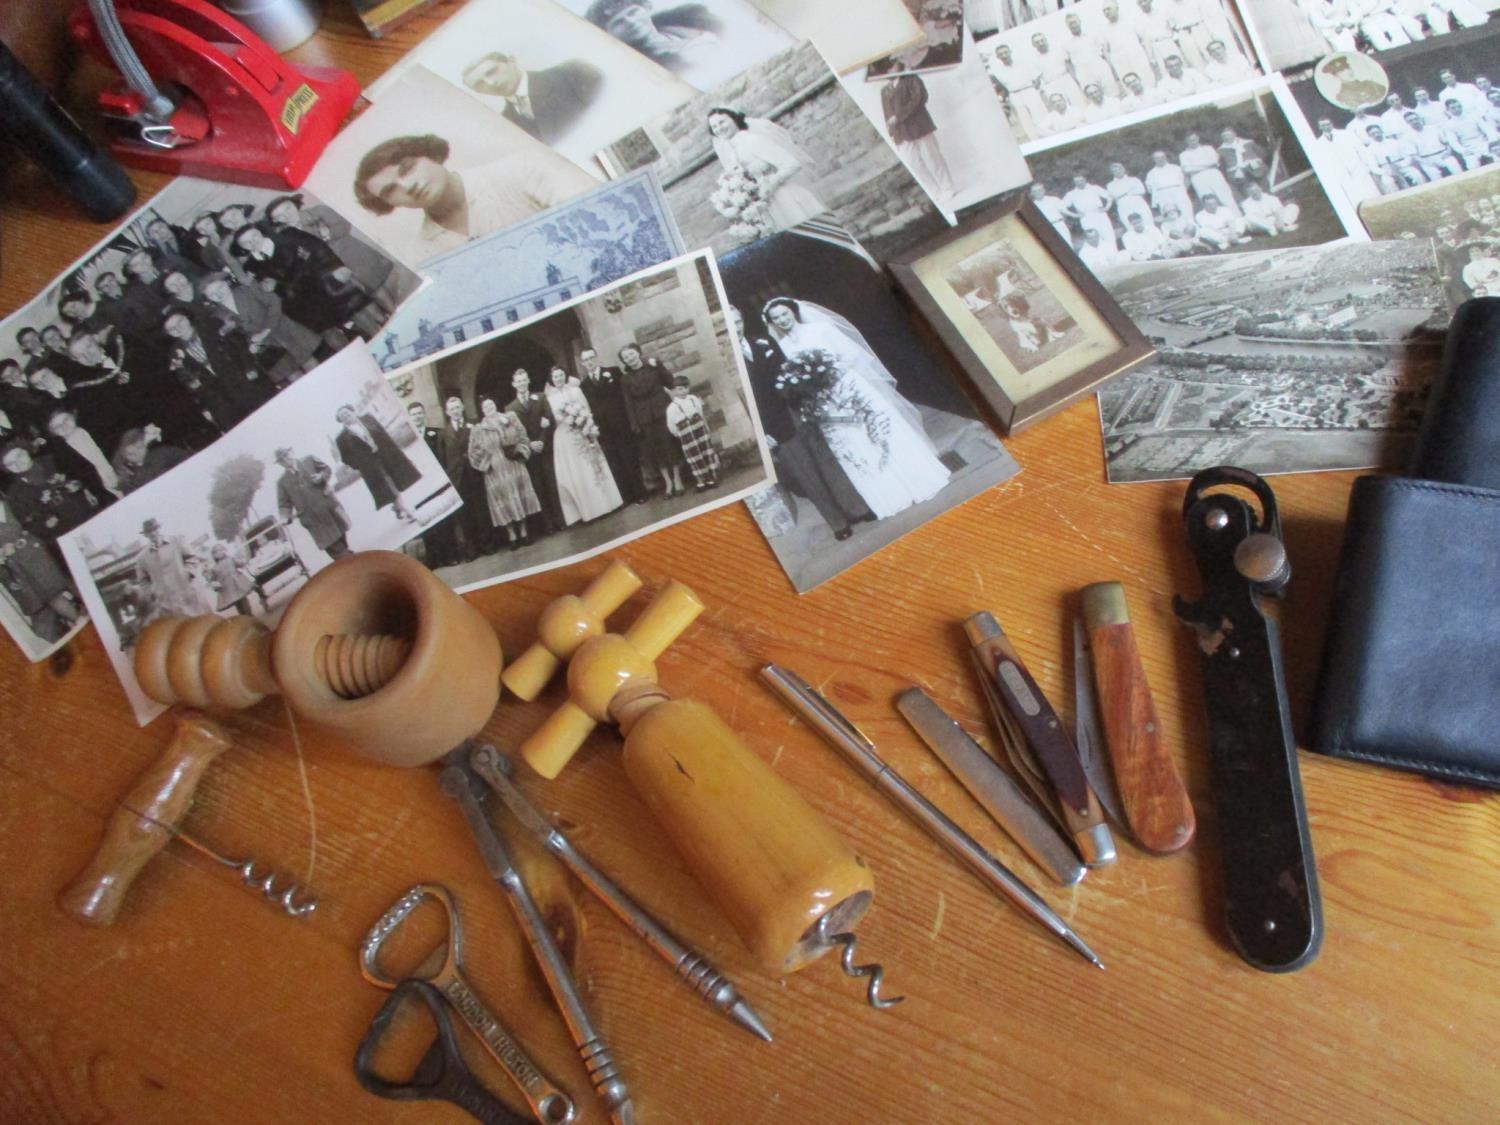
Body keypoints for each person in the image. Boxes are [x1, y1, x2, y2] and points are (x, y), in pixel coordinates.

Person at [762, 297, 950, 521]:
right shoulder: (782, 348)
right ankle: (890, 496)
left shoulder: (820, 329)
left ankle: (918, 480)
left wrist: (830, 375)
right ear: (771, 322)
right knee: (853, 446)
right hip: (824, 402)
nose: (782, 320)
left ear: (793, 311)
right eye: (776, 318)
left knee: (878, 433)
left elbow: (852, 354)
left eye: (784, 314)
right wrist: (811, 385)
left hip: (849, 389)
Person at [730, 306, 867, 542]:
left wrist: (805, 400)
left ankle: (857, 509)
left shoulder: (763, 341)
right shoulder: (729, 362)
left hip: (796, 409)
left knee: (828, 461)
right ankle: (838, 523)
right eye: (730, 324)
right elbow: (738, 405)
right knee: (807, 476)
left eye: (738, 321)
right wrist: (761, 433)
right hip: (773, 425)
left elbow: (789, 370)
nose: (736, 327)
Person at [352, 133, 590, 261]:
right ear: (389, 205)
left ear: (431, 155)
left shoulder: (520, 169)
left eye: (407, 168)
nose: (409, 185)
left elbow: (595, 216)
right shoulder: (421, 255)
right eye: (390, 190)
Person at [707, 107, 827, 231]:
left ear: (734, 119)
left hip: (786, 199)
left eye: (722, 122)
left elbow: (792, 163)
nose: (719, 128)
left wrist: (771, 183)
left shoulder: (752, 140)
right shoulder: (733, 152)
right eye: (714, 126)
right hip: (767, 207)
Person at [460, 52, 603, 145]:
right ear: (477, 91)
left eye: (492, 71)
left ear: (512, 61)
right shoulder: (506, 126)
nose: (492, 83)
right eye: (480, 84)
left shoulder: (571, 72)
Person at [543, 364, 624, 521]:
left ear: (565, 375)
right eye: (555, 377)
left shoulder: (576, 390)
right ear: (551, 380)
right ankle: (591, 510)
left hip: (584, 431)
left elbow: (586, 408)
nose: (558, 379)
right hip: (567, 437)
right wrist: (567, 419)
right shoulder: (550, 399)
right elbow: (554, 418)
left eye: (560, 375)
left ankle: (609, 503)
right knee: (579, 472)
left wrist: (587, 424)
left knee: (594, 466)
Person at [0, 501, 80, 642]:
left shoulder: (4, 504)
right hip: (19, 564)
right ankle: (81, 622)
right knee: (51, 595)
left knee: (61, 585)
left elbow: (22, 523)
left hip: (33, 551)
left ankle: (90, 617)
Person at [467, 397, 540, 550]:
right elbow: (472, 452)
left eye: (491, 404)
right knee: (503, 501)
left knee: (519, 495)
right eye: (485, 406)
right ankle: (512, 535)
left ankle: (524, 532)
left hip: (513, 464)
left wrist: (519, 450)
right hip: (494, 471)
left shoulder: (510, 418)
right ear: (482, 410)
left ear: (495, 405)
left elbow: (522, 436)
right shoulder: (478, 429)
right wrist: (486, 462)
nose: (489, 407)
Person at [578, 346, 644, 504]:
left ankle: (640, 493)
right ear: (582, 363)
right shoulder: (583, 385)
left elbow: (625, 396)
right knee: (614, 461)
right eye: (585, 360)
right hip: (603, 429)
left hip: (620, 423)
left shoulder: (613, 372)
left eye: (591, 358)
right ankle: (626, 497)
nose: (589, 362)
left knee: (629, 458)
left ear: (596, 358)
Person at [333, 404, 421, 523]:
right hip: (371, 466)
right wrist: (360, 464)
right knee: (388, 486)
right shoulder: (341, 438)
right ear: (341, 421)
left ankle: (397, 507)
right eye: (342, 417)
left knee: (395, 483)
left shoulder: (368, 418)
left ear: (353, 411)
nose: (346, 417)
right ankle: (409, 512)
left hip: (386, 455)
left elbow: (384, 434)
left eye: (347, 413)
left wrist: (397, 451)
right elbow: (345, 458)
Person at [584, 0, 722, 75]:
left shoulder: (697, 26)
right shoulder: (649, 71)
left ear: (645, 8)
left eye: (633, 12)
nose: (631, 22)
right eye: (619, 22)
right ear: (609, 34)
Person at [880, 67, 956, 202]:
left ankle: (948, 188)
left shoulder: (911, 79)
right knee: (913, 163)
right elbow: (887, 115)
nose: (887, 72)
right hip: (901, 133)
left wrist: (899, 116)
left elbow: (920, 99)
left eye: (889, 68)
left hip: (919, 126)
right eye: (884, 70)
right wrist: (892, 133)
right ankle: (935, 192)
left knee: (933, 158)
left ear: (896, 66)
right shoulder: (885, 91)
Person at [618, 343, 681, 499]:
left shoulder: (652, 367)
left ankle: (678, 480)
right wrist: (634, 423)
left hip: (662, 409)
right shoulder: (625, 379)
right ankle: (668, 483)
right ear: (624, 362)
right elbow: (628, 402)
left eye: (631, 354)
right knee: (656, 451)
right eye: (626, 357)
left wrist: (659, 366)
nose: (630, 358)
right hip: (644, 417)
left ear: (638, 353)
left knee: (670, 445)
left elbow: (670, 382)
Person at [504, 368, 564, 532]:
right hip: (528, 454)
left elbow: (549, 419)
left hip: (545, 448)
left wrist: (542, 441)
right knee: (538, 489)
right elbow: (512, 434)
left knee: (552, 484)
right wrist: (529, 444)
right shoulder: (510, 408)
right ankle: (548, 525)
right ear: (513, 384)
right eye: (518, 381)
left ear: (528, 381)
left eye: (524, 380)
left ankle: (561, 520)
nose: (522, 383)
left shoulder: (541, 397)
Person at [407, 403, 462, 567]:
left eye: (419, 413)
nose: (417, 416)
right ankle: (433, 558)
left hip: (437, 482)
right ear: (409, 417)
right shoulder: (406, 438)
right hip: (420, 486)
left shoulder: (436, 433)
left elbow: (444, 458)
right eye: (414, 414)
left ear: (424, 414)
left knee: (445, 518)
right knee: (429, 521)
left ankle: (451, 555)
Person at [275, 446, 351, 560]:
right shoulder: (282, 482)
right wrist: (284, 517)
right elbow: (284, 503)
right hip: (312, 519)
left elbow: (327, 469)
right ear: (280, 464)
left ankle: (347, 558)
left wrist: (321, 476)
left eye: (286, 455)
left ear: (292, 452)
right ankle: (349, 561)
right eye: (282, 460)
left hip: (328, 507)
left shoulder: (309, 460)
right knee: (332, 545)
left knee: (340, 537)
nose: (286, 460)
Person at [133, 518, 211, 618]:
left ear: (159, 528)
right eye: (149, 531)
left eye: (155, 529)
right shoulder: (142, 558)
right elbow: (143, 581)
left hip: (188, 591)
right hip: (167, 602)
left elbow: (192, 558)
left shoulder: (177, 540)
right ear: (145, 535)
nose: (153, 533)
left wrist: (188, 573)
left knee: (204, 623)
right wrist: (154, 591)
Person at [663, 374, 718, 493]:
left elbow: (700, 413)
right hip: (687, 437)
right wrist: (680, 434)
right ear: (674, 390)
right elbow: (671, 425)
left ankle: (711, 479)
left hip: (700, 431)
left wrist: (704, 426)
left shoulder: (693, 399)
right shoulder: (672, 407)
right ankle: (701, 481)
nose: (684, 391)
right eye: (680, 389)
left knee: (706, 453)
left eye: (686, 388)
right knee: (694, 458)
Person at [112, 425, 188, 495]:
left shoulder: (164, 454)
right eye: (130, 445)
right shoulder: (127, 479)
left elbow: (189, 460)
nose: (134, 449)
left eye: (138, 445)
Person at [1181, 132, 1240, 216]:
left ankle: (1238, 218)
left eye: (1194, 139)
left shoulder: (1208, 148)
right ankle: (1218, 222)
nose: (1193, 141)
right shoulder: (1183, 154)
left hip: (1214, 175)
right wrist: (1207, 165)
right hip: (1198, 178)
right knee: (1208, 200)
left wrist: (1195, 167)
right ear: (1187, 141)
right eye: (1190, 140)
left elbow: (1215, 162)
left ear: (1198, 138)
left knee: (1226, 197)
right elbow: (1187, 169)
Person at [1062, 175, 1118, 249]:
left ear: (1085, 179)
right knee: (1093, 237)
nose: (1079, 182)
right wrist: (1075, 215)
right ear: (1074, 182)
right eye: (1077, 181)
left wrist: (1106, 208)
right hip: (1086, 217)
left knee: (1108, 234)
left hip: (1099, 213)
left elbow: (1110, 196)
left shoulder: (1094, 188)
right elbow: (1061, 207)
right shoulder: (1071, 194)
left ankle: (1114, 253)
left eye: (1081, 180)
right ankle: (1101, 257)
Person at [208, 542, 261, 615]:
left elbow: (240, 564)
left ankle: (249, 616)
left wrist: (244, 561)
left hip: (239, 585)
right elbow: (212, 580)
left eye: (222, 549)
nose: (221, 552)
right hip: (229, 590)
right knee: (239, 605)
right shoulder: (214, 568)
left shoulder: (230, 559)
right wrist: (215, 585)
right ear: (214, 555)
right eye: (217, 551)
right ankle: (245, 618)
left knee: (244, 603)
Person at [1145, 151, 1194, 223]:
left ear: (1166, 157)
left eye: (1162, 157)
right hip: (1163, 195)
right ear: (1154, 160)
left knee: (1186, 212)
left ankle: (1192, 229)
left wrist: (1183, 190)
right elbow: (1150, 189)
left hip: (1179, 192)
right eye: (1157, 158)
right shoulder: (1151, 173)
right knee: (1170, 216)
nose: (1160, 159)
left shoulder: (1176, 168)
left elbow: (1186, 179)